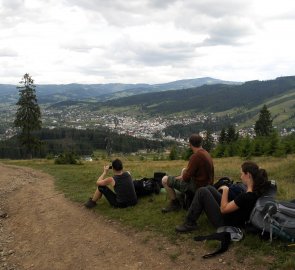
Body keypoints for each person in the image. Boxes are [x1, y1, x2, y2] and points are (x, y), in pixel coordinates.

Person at [175, 161, 271, 232]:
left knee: (202, 191)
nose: (240, 176)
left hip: (225, 223)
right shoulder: (256, 192)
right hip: (234, 217)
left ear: (248, 175)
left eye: (242, 173)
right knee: (209, 188)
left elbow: (223, 210)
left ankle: (189, 223)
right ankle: (196, 211)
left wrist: (225, 190)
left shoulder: (246, 196)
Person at [161, 134, 214, 213]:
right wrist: (184, 173)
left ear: (190, 144)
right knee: (184, 169)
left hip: (197, 186)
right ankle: (185, 197)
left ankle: (175, 203)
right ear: (201, 143)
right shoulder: (205, 153)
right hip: (207, 184)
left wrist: (180, 176)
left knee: (164, 179)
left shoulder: (195, 156)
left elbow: (186, 178)